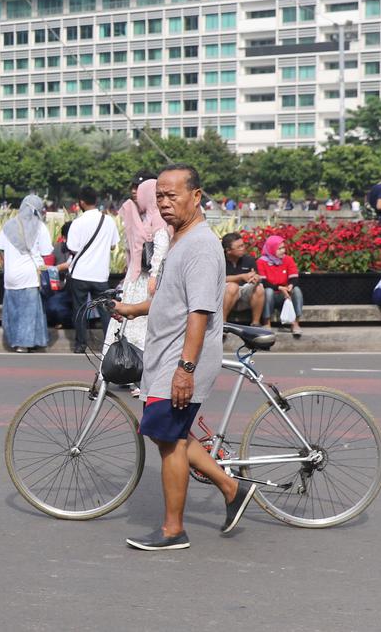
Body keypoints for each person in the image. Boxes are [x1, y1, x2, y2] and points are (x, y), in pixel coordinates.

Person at [112, 164, 253, 551]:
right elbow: (171, 300)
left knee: (168, 438)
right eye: (160, 196)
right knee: (168, 433)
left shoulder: (202, 246)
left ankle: (174, 530)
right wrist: (133, 309)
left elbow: (199, 312)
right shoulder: (180, 238)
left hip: (181, 359)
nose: (165, 203)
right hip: (168, 356)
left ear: (196, 196)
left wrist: (184, 370)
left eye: (173, 195)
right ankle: (230, 487)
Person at [105, 179, 170, 355]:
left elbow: (161, 249)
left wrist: (154, 276)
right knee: (128, 322)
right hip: (136, 280)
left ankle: (134, 363)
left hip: (146, 281)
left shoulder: (158, 217)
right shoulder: (148, 216)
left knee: (138, 322)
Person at [66, 186, 120, 354]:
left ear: (81, 202)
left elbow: (72, 248)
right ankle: (108, 343)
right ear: (96, 201)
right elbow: (113, 246)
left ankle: (81, 344)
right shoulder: (108, 221)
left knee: (80, 310)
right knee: (105, 309)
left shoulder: (77, 223)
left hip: (80, 273)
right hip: (100, 274)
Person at [0, 195, 52, 352]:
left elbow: (1, 250)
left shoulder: (7, 226)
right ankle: (25, 343)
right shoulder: (40, 227)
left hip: (10, 276)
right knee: (29, 311)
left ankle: (14, 340)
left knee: (13, 310)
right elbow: (46, 252)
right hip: (30, 275)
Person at [257, 235, 303, 337]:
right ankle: (266, 322)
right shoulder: (261, 262)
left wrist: (290, 286)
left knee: (297, 290)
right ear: (271, 249)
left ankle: (295, 323)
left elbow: (294, 277)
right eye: (279, 249)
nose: (283, 251)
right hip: (271, 295)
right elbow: (263, 282)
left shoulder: (288, 259)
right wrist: (280, 288)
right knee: (268, 291)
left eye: (283, 248)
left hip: (286, 294)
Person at [221, 232, 265, 326]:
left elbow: (256, 275)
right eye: (239, 247)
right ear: (228, 250)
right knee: (233, 287)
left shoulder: (249, 260)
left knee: (259, 288)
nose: (243, 248)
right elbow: (217, 279)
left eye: (243, 245)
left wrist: (255, 278)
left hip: (245, 292)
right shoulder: (220, 260)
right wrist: (241, 277)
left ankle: (255, 323)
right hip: (225, 293)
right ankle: (222, 323)